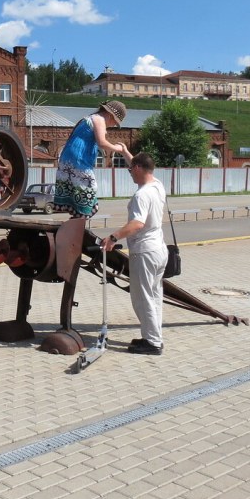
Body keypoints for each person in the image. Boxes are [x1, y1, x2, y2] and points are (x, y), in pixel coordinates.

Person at [101, 152, 168, 355]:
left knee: (142, 298)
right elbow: (142, 164)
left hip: (145, 252)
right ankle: (153, 337)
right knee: (155, 296)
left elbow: (137, 224)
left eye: (131, 169)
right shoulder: (157, 186)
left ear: (138, 168)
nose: (130, 173)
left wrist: (113, 238)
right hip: (159, 250)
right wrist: (125, 152)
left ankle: (153, 343)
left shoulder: (142, 195)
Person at [53, 100, 132, 218]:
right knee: (89, 196)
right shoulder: (99, 119)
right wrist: (118, 149)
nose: (114, 125)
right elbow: (102, 143)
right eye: (115, 122)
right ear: (111, 115)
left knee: (84, 204)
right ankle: (75, 229)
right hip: (78, 162)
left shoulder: (92, 118)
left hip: (71, 161)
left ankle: (75, 225)